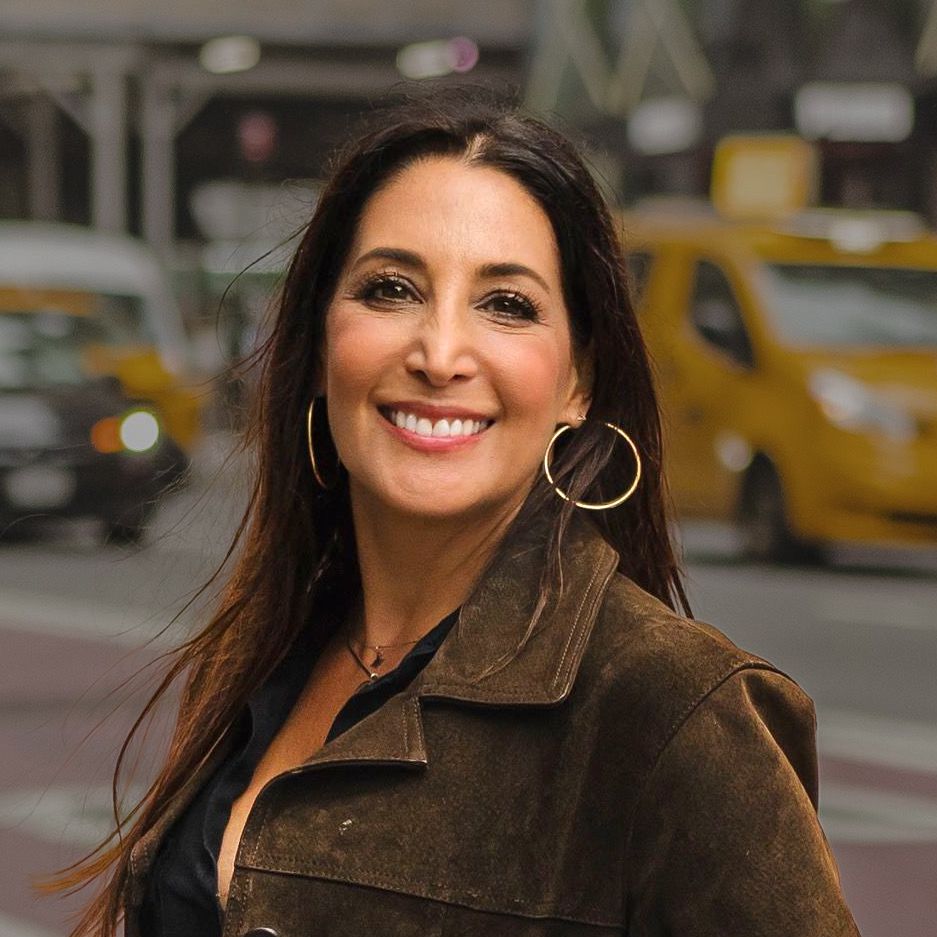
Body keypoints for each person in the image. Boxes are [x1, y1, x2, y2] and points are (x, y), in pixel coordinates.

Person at [55, 91, 860, 936]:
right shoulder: (265, 659)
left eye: (506, 304)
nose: (439, 354)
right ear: (323, 346)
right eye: (391, 288)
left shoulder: (676, 711)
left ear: (577, 381)